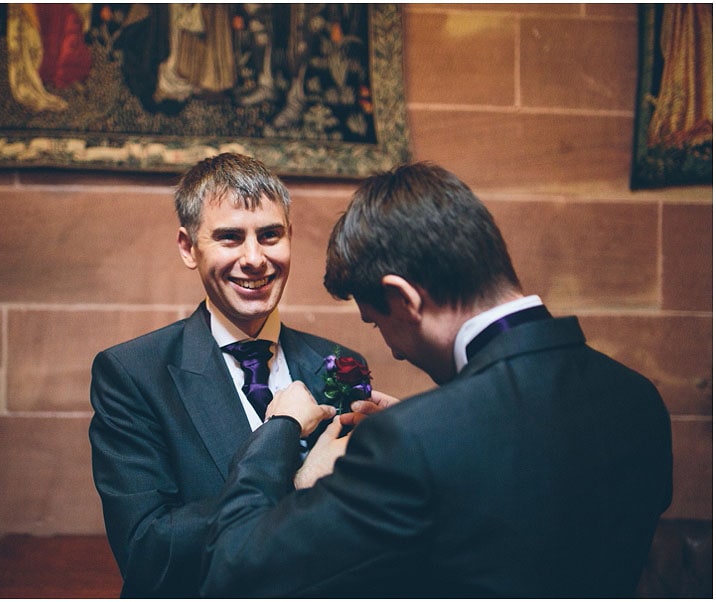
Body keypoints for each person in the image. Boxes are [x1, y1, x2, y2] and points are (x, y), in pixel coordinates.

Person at [200, 162, 673, 598]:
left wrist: (278, 435)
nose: (393, 349)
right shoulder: (637, 397)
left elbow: (236, 569)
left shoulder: (413, 441)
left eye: (377, 323)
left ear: (403, 299)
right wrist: (428, 434)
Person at [88, 152, 367, 597]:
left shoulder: (340, 364)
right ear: (188, 248)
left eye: (270, 235)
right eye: (230, 238)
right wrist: (291, 484)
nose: (254, 258)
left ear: (290, 237)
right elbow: (147, 554)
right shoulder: (132, 373)